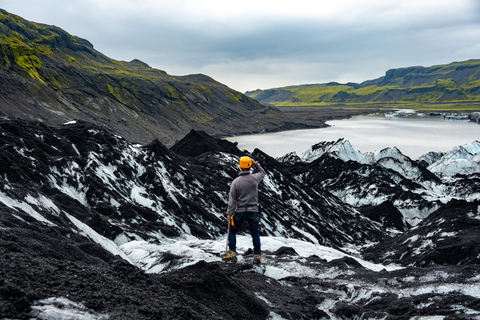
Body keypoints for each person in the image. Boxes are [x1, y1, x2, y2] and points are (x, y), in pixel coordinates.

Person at [223, 156, 266, 264]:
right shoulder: (255, 178)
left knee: (232, 231)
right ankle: (257, 256)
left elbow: (232, 199)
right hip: (254, 210)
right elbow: (262, 172)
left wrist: (229, 213)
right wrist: (255, 163)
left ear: (240, 166)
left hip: (240, 210)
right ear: (249, 166)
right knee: (255, 233)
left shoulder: (236, 182)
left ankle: (232, 253)